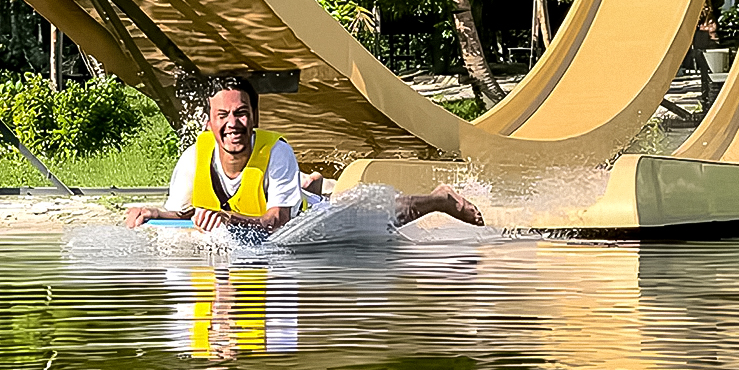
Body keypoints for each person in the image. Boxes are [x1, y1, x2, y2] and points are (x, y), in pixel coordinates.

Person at [124, 75, 485, 239]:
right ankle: (308, 184)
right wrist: (154, 212)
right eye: (223, 116)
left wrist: (229, 219)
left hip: (308, 223)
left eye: (242, 113)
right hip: (262, 210)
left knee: (377, 220)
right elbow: (182, 212)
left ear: (255, 117)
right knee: (309, 193)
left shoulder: (276, 151)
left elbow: (278, 223)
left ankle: (439, 198)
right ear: (209, 123)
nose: (233, 124)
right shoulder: (193, 158)